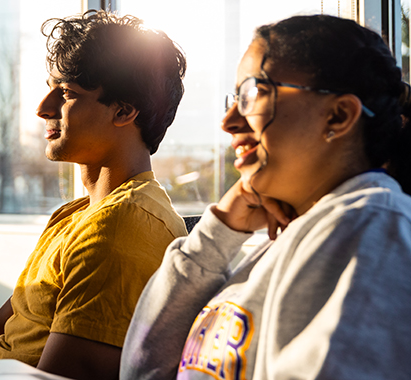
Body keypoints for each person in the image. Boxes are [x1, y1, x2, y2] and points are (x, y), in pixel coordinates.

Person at [120, 15, 411, 380]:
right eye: (233, 97)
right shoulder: (290, 236)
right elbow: (142, 370)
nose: (228, 121)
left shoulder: (371, 227)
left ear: (337, 115)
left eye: (253, 93)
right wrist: (219, 229)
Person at [0, 10, 188, 380]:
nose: (43, 108)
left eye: (67, 93)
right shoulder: (76, 215)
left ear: (124, 111)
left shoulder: (118, 228)